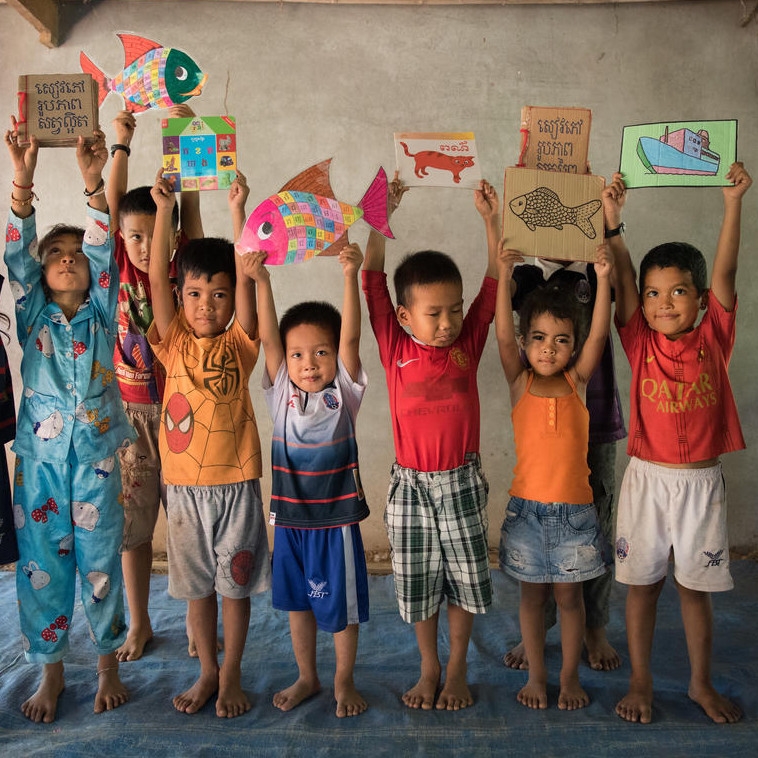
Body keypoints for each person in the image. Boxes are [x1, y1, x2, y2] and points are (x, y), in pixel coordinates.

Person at [608, 163, 751, 725]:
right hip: (648, 479)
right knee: (642, 586)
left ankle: (699, 683)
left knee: (695, 589)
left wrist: (733, 203)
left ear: (699, 299)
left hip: (700, 485)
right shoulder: (639, 339)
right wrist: (613, 225)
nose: (663, 302)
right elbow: (621, 280)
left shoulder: (716, 334)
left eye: (678, 292)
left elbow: (727, 269)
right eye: (652, 294)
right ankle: (640, 682)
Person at [4, 120, 136, 723]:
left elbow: (106, 250)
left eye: (74, 254)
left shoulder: (102, 313)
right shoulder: (32, 314)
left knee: (101, 558)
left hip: (97, 458)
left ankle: (108, 662)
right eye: (53, 254)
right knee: (42, 566)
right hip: (39, 464)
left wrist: (93, 184)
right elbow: (17, 258)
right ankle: (50, 671)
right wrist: (23, 186)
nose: (65, 259)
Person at [361, 175, 499, 710]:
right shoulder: (393, 343)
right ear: (403, 316)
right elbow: (372, 280)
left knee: (465, 581)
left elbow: (493, 284)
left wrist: (490, 221)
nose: (448, 323)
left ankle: (458, 669)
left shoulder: (469, 342)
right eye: (434, 313)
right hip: (410, 487)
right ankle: (429, 667)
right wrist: (382, 213)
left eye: (454, 310)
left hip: (461, 481)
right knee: (418, 584)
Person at [147, 168, 270, 718]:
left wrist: (238, 208)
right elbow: (155, 279)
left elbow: (246, 282)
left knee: (234, 586)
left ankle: (233, 674)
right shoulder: (172, 342)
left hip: (236, 485)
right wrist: (162, 211)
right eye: (195, 294)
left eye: (217, 295)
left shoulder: (240, 346)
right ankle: (208, 672)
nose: (206, 305)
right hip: (182, 490)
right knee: (199, 589)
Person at [247, 241, 370, 718]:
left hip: (335, 522)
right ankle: (307, 675)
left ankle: (343, 679)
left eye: (320, 352)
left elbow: (352, 342)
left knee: (340, 609)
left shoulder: (345, 392)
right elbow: (271, 340)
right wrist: (262, 281)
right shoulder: (280, 393)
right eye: (298, 354)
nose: (308, 363)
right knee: (298, 605)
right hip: (290, 523)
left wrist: (349, 275)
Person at [495, 239, 613, 710]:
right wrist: (504, 277)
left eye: (562, 340)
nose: (549, 348)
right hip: (527, 513)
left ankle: (567, 679)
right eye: (539, 338)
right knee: (531, 600)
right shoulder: (519, 382)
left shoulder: (576, 382)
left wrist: (603, 280)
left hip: (575, 517)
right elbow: (504, 337)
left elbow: (600, 337)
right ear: (527, 343)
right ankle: (536, 678)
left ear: (574, 347)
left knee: (570, 600)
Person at [106, 109, 186, 663]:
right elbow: (109, 205)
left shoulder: (187, 270)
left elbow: (188, 210)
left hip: (183, 412)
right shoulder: (113, 266)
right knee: (134, 529)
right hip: (130, 416)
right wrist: (122, 142)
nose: (141, 246)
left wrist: (182, 132)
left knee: (186, 528)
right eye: (134, 236)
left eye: (152, 234)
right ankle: (140, 623)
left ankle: (196, 625)